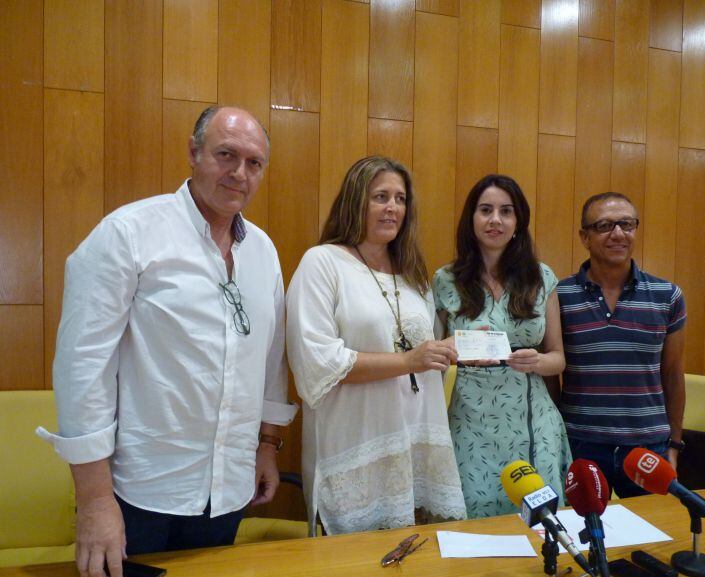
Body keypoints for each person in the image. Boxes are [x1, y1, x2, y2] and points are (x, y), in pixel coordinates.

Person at [37, 106, 297, 577]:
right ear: (194, 153)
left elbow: (270, 359)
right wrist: (95, 501)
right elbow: (82, 371)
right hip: (140, 491)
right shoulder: (129, 234)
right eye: (226, 155)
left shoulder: (263, 250)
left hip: (228, 490)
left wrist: (266, 445)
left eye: (254, 163)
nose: (239, 173)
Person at [286, 156, 467, 535]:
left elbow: (424, 357)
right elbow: (318, 364)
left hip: (414, 448)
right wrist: (409, 360)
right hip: (356, 449)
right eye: (380, 196)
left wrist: (455, 348)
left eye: (400, 199)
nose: (393, 208)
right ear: (356, 202)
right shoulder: (323, 263)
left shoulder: (413, 275)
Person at [432, 174, 571, 519]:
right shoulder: (444, 280)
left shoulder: (541, 277)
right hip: (468, 417)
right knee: (472, 520)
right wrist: (450, 348)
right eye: (486, 210)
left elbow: (559, 359)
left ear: (518, 221)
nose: (496, 220)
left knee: (539, 525)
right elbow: (433, 357)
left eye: (506, 211)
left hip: (531, 418)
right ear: (472, 218)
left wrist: (538, 361)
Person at [556, 192, 686, 497]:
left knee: (651, 538)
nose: (618, 234)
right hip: (580, 444)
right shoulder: (559, 295)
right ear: (584, 237)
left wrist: (675, 445)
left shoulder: (667, 295)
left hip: (648, 447)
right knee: (585, 536)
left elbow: (673, 375)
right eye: (604, 226)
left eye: (626, 224)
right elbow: (550, 377)